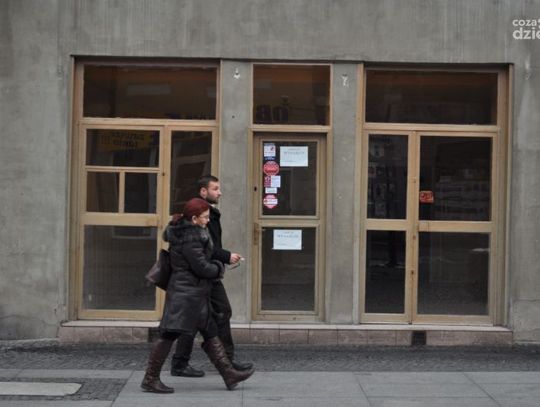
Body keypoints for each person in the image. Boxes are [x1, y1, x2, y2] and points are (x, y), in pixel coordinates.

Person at [141, 198, 254, 393]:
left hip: (193, 294)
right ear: (194, 219)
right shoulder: (190, 238)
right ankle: (150, 378)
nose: (208, 220)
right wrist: (219, 267)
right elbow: (202, 268)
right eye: (205, 217)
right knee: (169, 334)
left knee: (210, 331)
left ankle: (229, 374)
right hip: (186, 295)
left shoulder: (189, 233)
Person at [170, 175, 254, 378]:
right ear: (203, 191)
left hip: (203, 275)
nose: (220, 192)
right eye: (215, 188)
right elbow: (205, 249)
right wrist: (225, 258)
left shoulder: (208, 214)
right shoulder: (197, 216)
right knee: (218, 313)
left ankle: (187, 363)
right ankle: (224, 363)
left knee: (201, 318)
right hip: (201, 276)